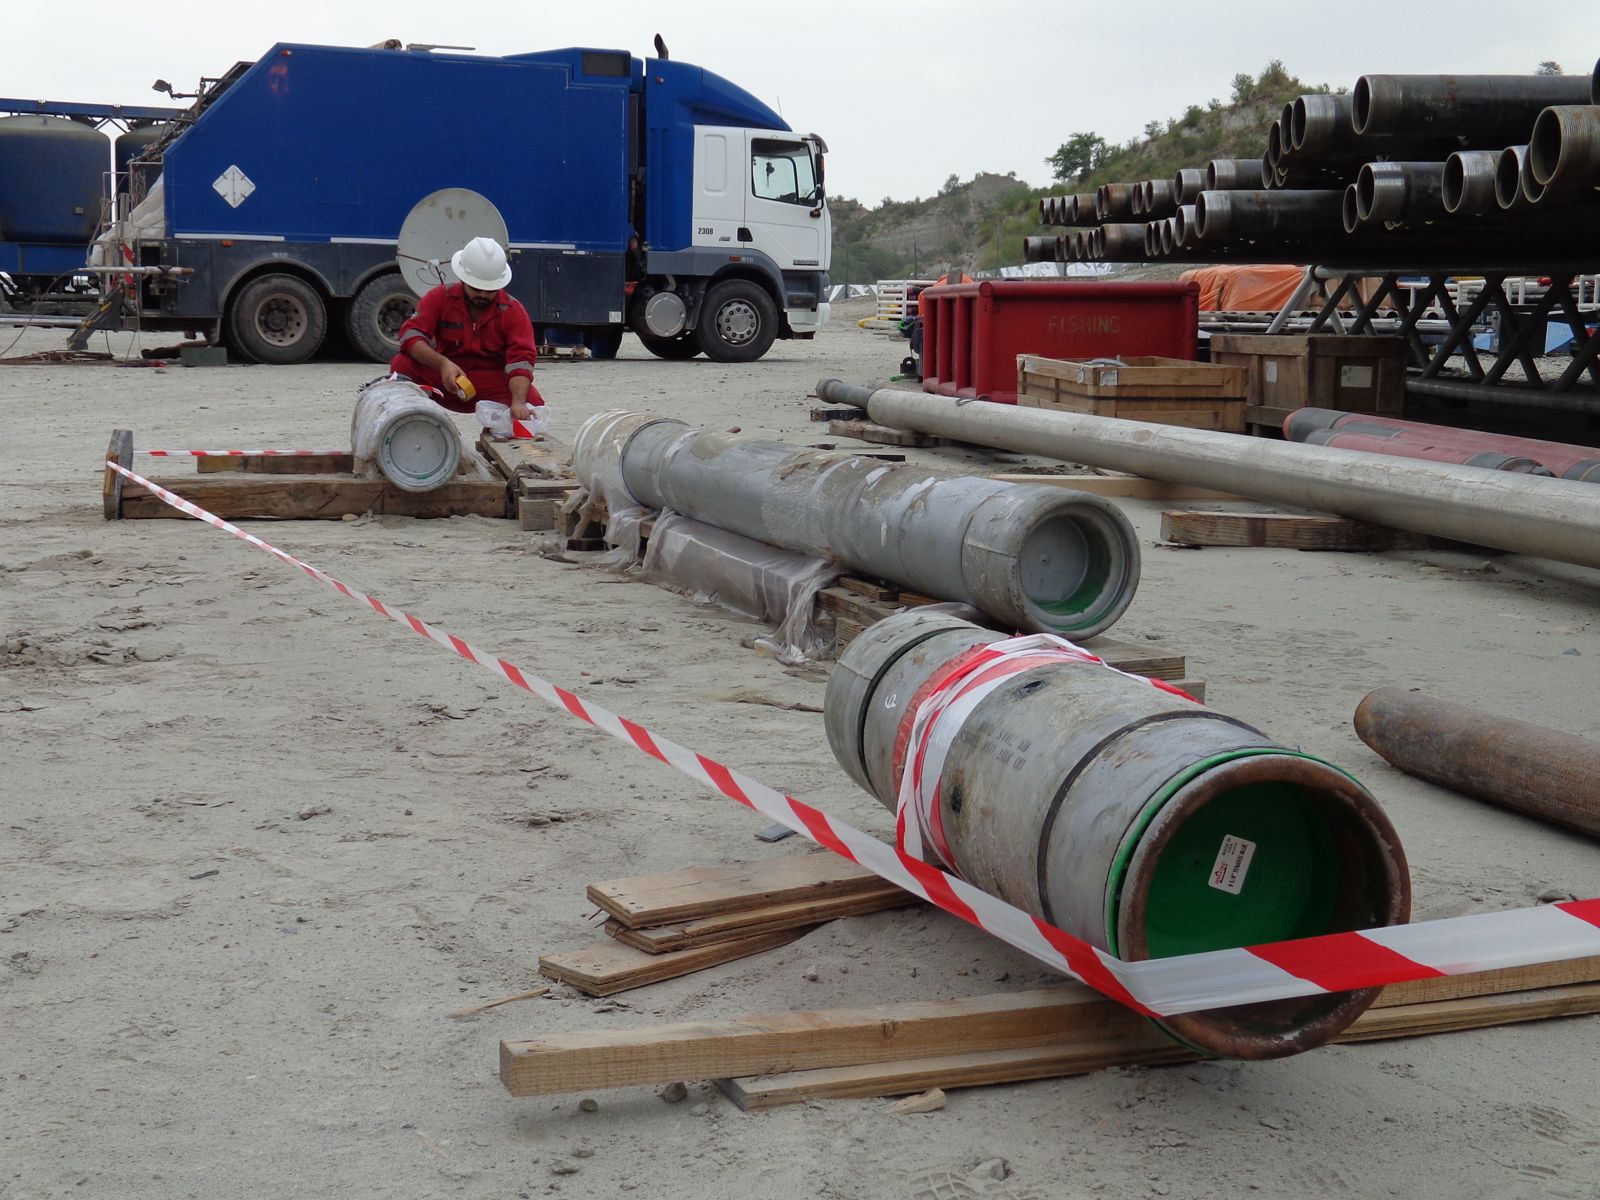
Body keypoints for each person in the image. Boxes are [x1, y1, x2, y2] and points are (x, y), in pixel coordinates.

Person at [389, 236, 545, 422]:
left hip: (489, 381)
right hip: (445, 379)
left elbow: (521, 362)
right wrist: (443, 364)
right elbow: (410, 336)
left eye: (489, 290)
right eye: (476, 288)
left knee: (532, 403)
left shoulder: (513, 311)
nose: (483, 295)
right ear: (463, 278)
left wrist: (518, 402)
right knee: (402, 365)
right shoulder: (440, 298)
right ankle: (406, 421)